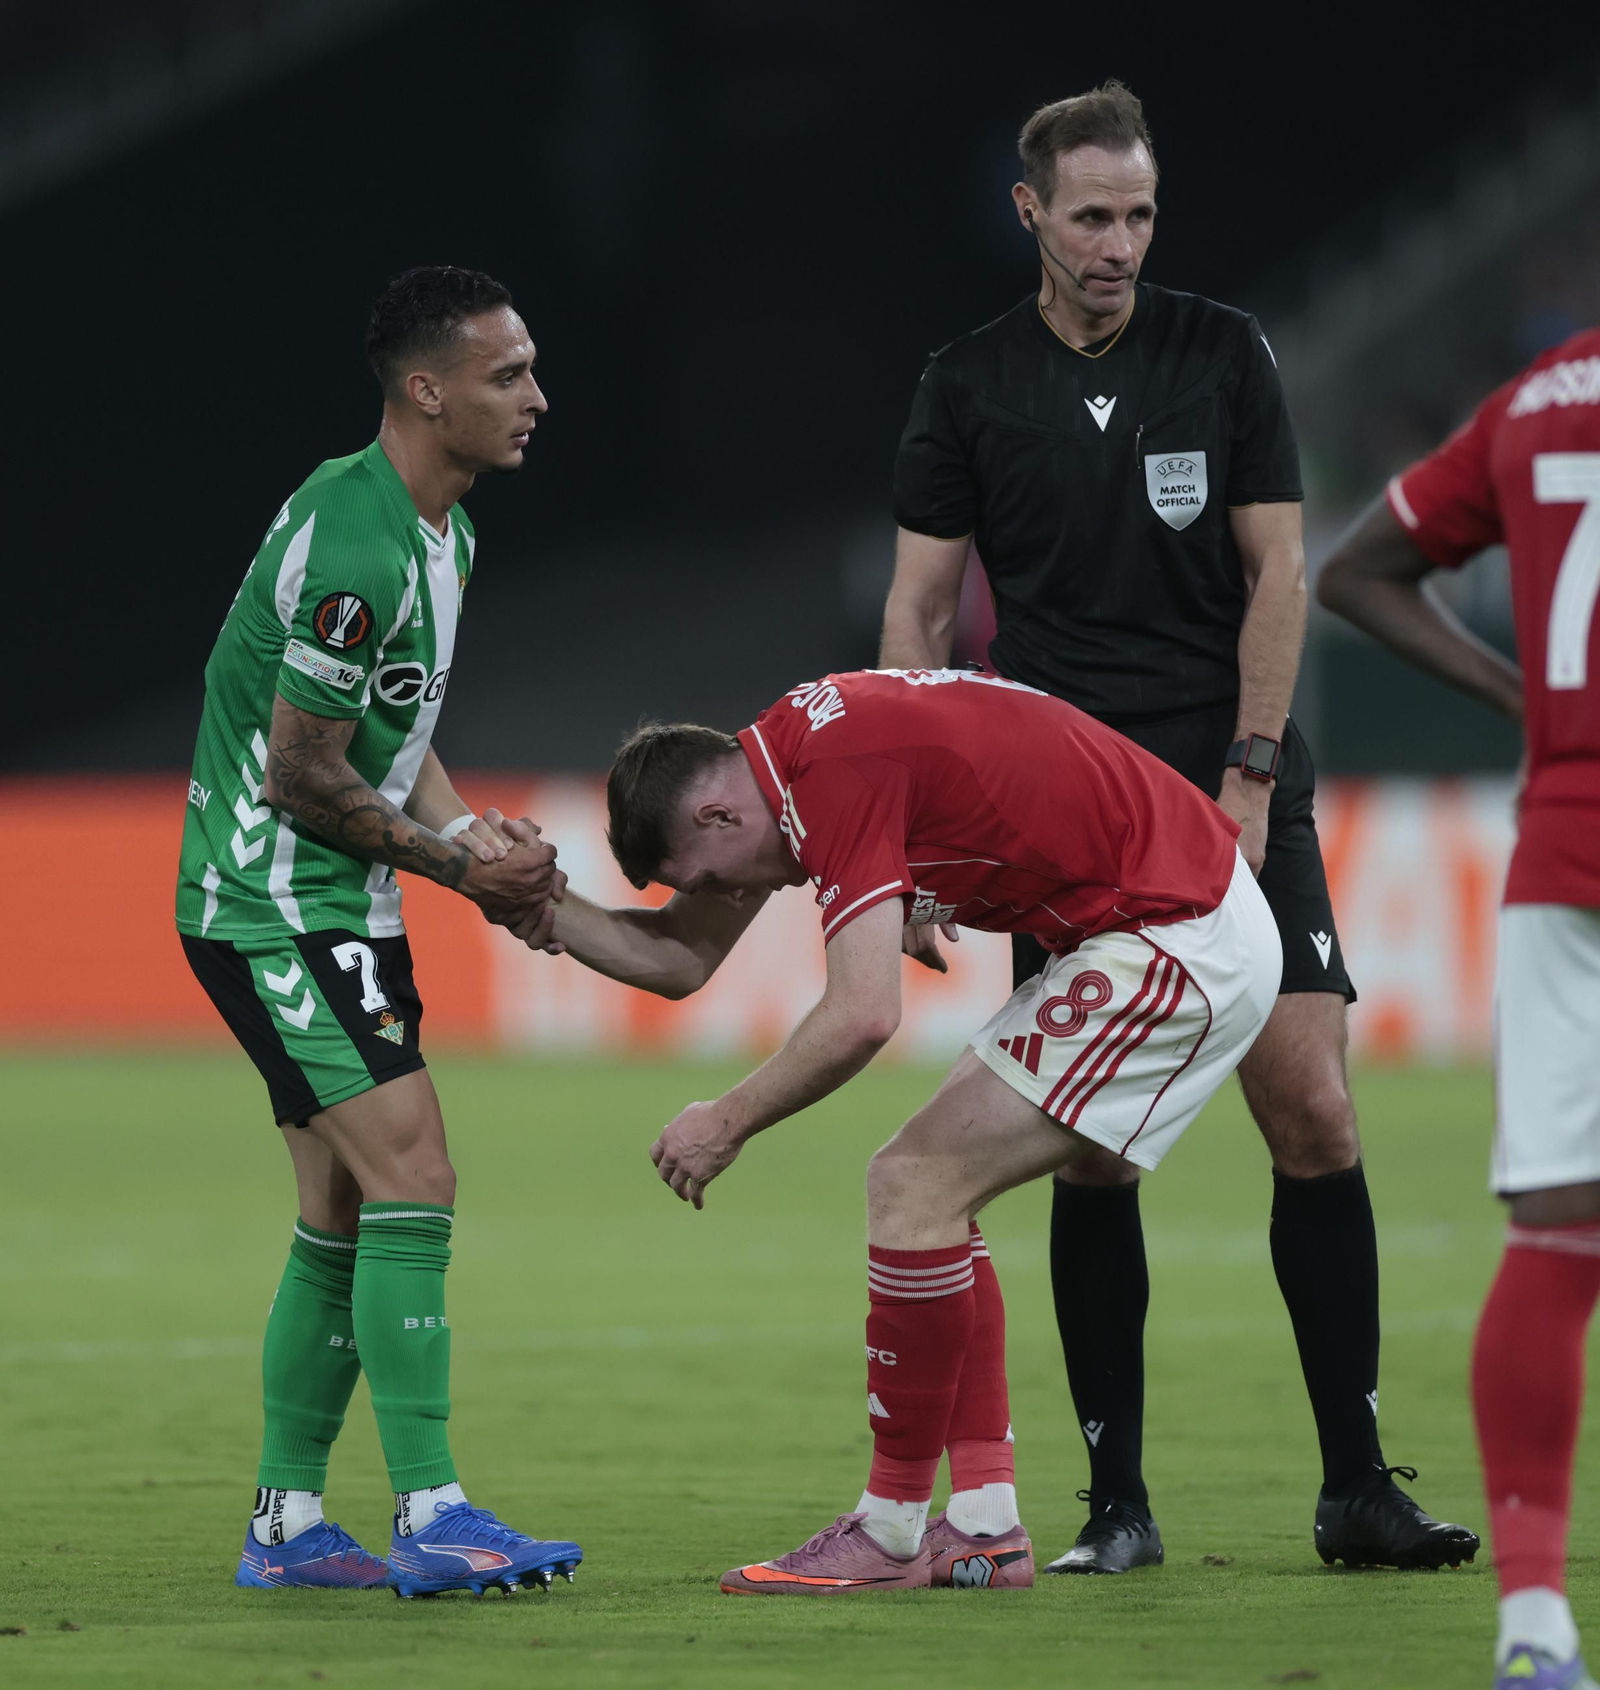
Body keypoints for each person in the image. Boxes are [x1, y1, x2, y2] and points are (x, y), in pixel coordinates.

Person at [879, 78, 1478, 1572]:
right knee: (1094, 1150)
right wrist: (910, 834)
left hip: (1232, 785)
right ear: (1030, 212)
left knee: (1316, 1111)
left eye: (1139, 214)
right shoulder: (966, 384)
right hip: (1065, 812)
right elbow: (918, 612)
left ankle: (1357, 1490)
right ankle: (1115, 1507)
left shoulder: (1221, 354)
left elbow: (1281, 575)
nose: (1118, 243)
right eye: (1090, 215)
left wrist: (1255, 772)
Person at [530, 665, 1282, 1593]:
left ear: (719, 815)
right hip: (1148, 919)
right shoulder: (792, 756)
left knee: (912, 1184)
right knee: (931, 1192)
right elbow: (679, 958)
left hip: (1179, 932)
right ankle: (984, 1526)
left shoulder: (833, 779)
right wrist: (534, 903)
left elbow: (862, 1014)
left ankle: (888, 1531)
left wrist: (725, 1122)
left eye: (709, 877)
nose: (724, 899)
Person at [175, 266, 582, 1597]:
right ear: (427, 390)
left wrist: (470, 841)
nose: (535, 396)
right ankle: (436, 1510)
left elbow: (390, 740)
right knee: (417, 1172)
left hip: (338, 898)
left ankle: (288, 1524)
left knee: (342, 1207)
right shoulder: (354, 539)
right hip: (271, 903)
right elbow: (302, 774)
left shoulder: (443, 533)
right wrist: (474, 879)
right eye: (505, 375)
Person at [1319, 328, 1600, 1690]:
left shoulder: (1537, 398)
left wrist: (1528, 701)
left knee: (1555, 1237)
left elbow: (1355, 568)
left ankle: (1536, 1624)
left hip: (1568, 848)